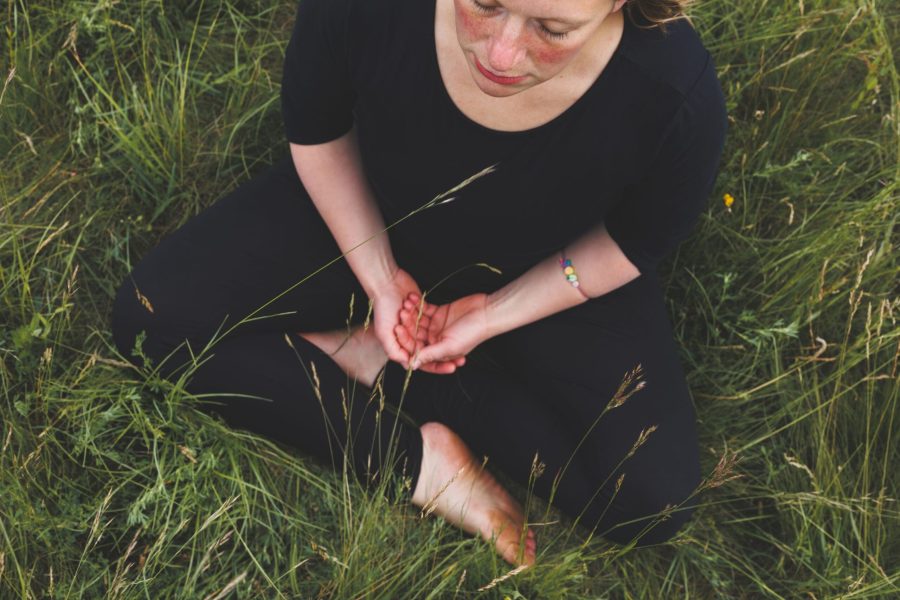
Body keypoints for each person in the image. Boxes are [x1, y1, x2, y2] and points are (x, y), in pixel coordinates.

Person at [111, 0, 727, 567]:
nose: (501, 54)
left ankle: (384, 368)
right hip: (366, 216)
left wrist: (494, 315)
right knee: (151, 317)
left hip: (545, 272)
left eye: (552, 30)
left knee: (653, 501)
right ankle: (427, 469)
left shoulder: (676, 93)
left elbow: (630, 241)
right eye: (485, 4)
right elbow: (319, 133)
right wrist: (380, 279)